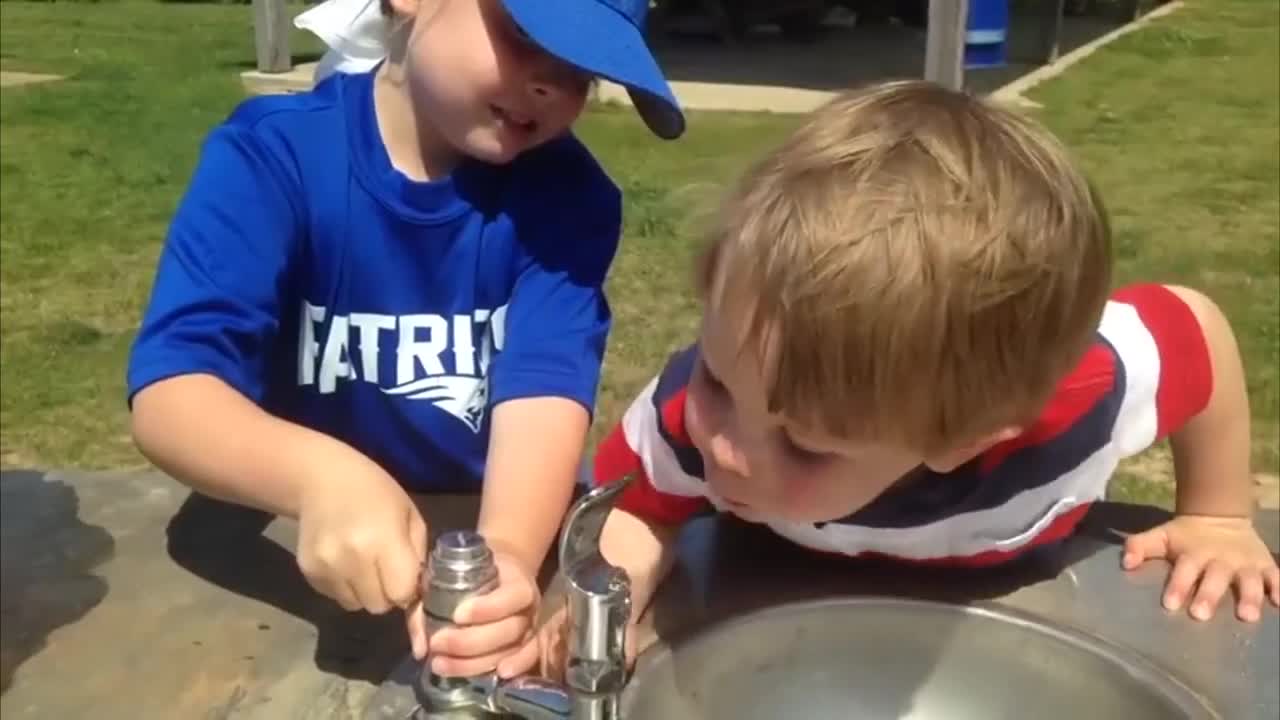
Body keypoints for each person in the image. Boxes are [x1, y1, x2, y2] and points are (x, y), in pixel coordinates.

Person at [538, 79, 1279, 674]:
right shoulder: (694, 410)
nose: (725, 449)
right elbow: (640, 508)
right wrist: (610, 593)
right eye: (719, 384)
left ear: (965, 437)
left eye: (804, 445)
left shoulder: (1085, 395)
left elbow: (1193, 329)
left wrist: (1216, 514)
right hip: (781, 603)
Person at [126, 0, 684, 682]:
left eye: (580, 73)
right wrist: (315, 478)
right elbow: (173, 394)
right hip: (302, 530)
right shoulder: (273, 157)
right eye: (524, 36)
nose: (550, 83)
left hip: (479, 520)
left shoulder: (571, 199)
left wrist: (506, 551)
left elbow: (544, 390)